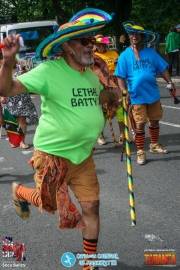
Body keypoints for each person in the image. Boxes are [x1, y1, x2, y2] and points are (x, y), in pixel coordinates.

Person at [0, 8, 120, 270]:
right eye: (83, 41)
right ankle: (19, 191)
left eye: (91, 40)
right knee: (48, 203)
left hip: (84, 156)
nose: (91, 46)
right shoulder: (48, 72)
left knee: (91, 207)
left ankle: (89, 263)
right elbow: (6, 89)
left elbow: (92, 100)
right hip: (52, 156)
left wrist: (111, 96)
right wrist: (8, 61)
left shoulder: (92, 74)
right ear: (66, 46)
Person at [114, 21, 176, 165]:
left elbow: (163, 69)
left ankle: (154, 145)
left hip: (153, 95)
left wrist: (170, 82)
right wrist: (124, 92)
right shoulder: (125, 55)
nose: (134, 36)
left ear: (142, 36)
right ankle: (141, 152)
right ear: (129, 37)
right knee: (139, 124)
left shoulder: (151, 53)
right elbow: (120, 76)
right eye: (131, 34)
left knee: (154, 120)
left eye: (137, 34)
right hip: (136, 97)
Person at [0, 58, 38, 148]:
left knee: (22, 120)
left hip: (22, 99)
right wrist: (1, 97)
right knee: (12, 121)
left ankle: (22, 142)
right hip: (9, 100)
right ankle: (14, 140)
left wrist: (24, 70)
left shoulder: (20, 68)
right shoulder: (2, 71)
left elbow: (28, 76)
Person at [94, 36, 124, 145]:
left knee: (120, 108)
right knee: (104, 112)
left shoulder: (114, 54)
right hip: (101, 84)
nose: (101, 47)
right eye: (98, 45)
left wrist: (118, 62)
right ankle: (100, 135)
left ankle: (122, 134)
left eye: (103, 44)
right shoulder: (94, 56)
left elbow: (121, 67)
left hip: (115, 83)